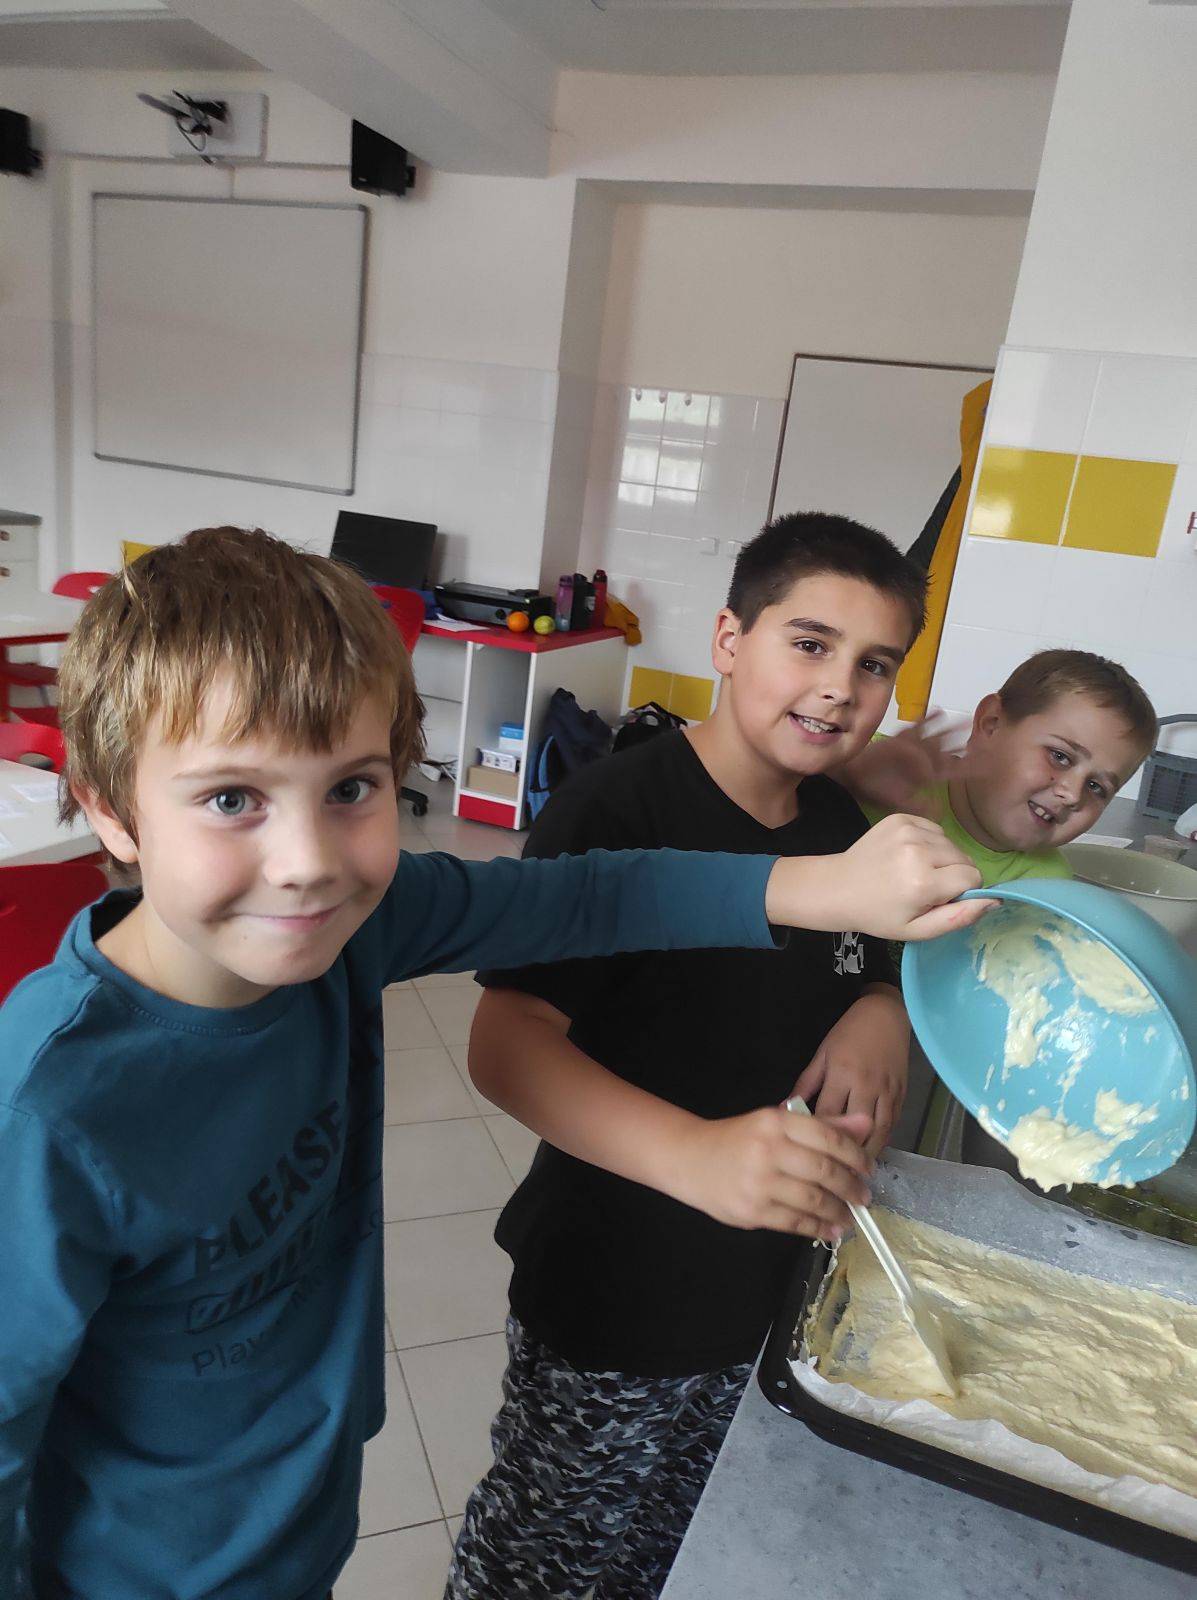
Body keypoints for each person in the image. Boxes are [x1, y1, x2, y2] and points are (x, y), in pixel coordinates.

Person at [0, 526, 986, 1600]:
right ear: (110, 808)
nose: (308, 864)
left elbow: (593, 895)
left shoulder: (361, 924)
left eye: (352, 788)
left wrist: (827, 894)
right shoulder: (48, 1111)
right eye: (233, 798)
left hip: (294, 1523)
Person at [449, 512, 952, 1600]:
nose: (840, 688)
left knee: (672, 1546)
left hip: (762, 1287)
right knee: (546, 1559)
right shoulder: (615, 808)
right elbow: (506, 1045)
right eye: (809, 644)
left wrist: (880, 1003)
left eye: (874, 665)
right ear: (729, 639)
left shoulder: (839, 824)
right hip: (617, 1287)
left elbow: (866, 952)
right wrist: (695, 1156)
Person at [841, 649, 1158, 886]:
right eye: (1060, 756)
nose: (1073, 795)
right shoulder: (880, 766)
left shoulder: (1047, 886)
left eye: (1096, 787)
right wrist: (847, 777)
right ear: (991, 724)